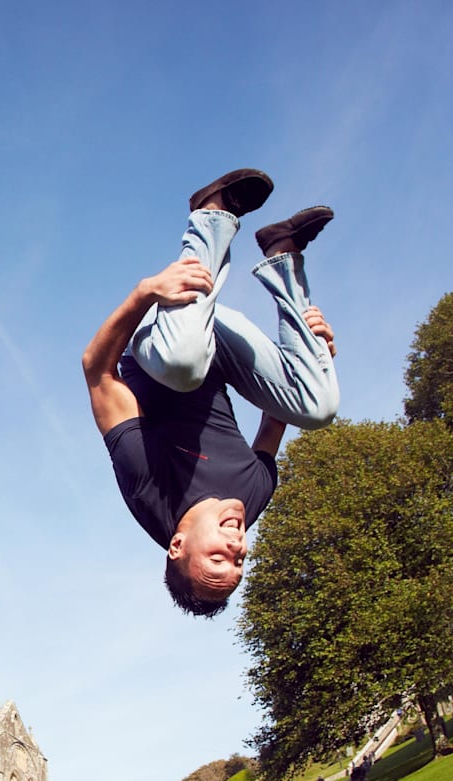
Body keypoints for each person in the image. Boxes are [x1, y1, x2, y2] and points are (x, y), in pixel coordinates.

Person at [82, 169, 340, 616]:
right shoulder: (251, 501)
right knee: (317, 409)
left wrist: (146, 292)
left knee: (183, 366)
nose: (236, 543)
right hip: (223, 344)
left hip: (165, 337)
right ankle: (283, 255)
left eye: (218, 555)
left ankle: (212, 215)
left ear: (177, 545)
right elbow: (278, 414)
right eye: (240, 558)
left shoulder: (149, 486)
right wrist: (313, 358)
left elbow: (97, 371)